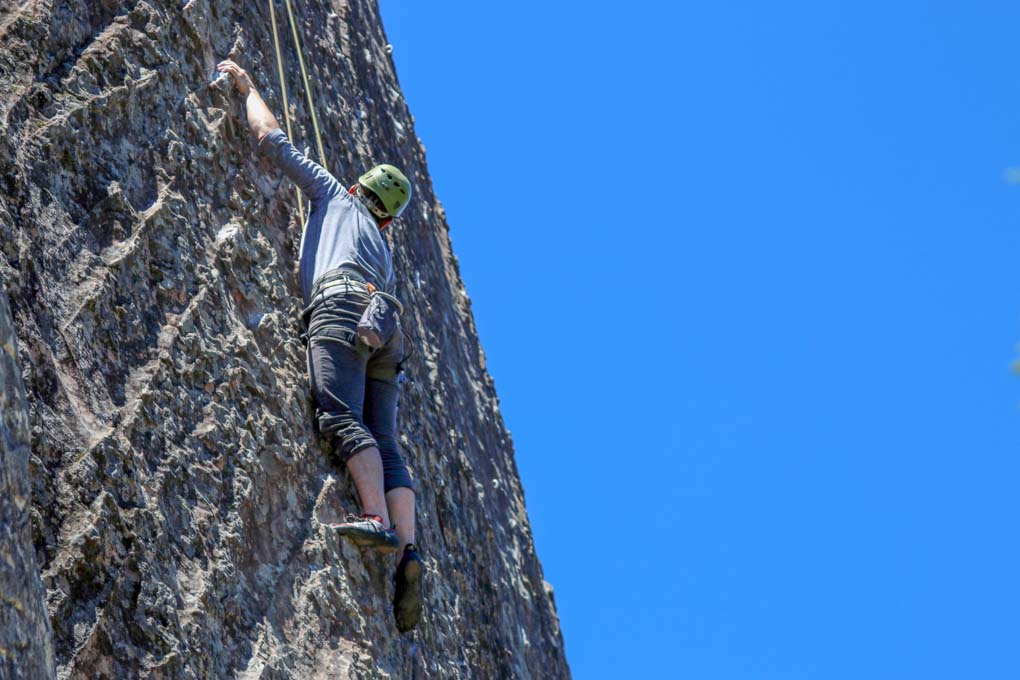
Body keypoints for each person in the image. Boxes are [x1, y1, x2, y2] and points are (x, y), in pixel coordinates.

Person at [216, 58, 423, 633]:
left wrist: (248, 87)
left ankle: (376, 518)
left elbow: (271, 140)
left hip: (342, 308)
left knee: (339, 414)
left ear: (360, 188)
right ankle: (409, 550)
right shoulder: (383, 249)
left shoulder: (335, 195)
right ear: (390, 219)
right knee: (386, 439)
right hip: (386, 325)